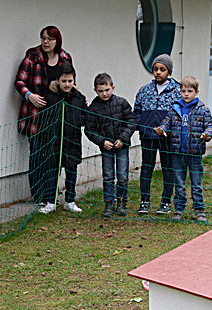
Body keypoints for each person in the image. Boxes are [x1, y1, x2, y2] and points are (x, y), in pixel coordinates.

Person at [14, 26, 72, 207]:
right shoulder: (32, 57)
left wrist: (78, 99)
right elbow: (19, 81)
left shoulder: (65, 58)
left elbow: (69, 83)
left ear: (57, 40)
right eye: (43, 38)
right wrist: (29, 95)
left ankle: (50, 194)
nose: (46, 42)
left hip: (56, 115)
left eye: (50, 39)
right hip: (35, 116)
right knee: (37, 154)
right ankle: (38, 196)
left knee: (53, 156)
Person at [155, 75, 212, 223]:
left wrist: (207, 134)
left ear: (196, 92)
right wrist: (162, 130)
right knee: (179, 183)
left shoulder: (203, 109)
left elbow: (210, 125)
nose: (186, 94)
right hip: (177, 153)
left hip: (195, 153)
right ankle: (179, 209)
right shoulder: (175, 108)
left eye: (189, 91)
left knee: (196, 184)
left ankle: (199, 210)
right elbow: (166, 122)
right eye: (183, 91)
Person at [134, 54, 181, 215]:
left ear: (169, 71)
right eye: (155, 69)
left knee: (168, 168)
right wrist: (142, 126)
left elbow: (179, 114)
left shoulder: (177, 91)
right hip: (147, 136)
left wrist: (169, 130)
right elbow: (137, 110)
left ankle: (166, 201)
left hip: (167, 138)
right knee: (147, 168)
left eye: (162, 69)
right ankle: (144, 201)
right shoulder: (144, 90)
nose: (158, 72)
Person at [85, 73, 137, 218]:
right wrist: (102, 141)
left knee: (122, 176)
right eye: (100, 91)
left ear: (113, 87)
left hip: (122, 146)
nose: (104, 93)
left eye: (107, 90)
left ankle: (121, 203)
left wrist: (123, 139)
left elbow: (131, 122)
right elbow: (89, 130)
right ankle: (108, 203)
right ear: (95, 90)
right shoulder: (93, 108)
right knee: (108, 176)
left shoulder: (122, 103)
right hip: (106, 147)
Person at [40, 63, 87, 214]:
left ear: (74, 81)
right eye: (64, 81)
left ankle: (70, 201)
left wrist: (79, 119)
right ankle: (50, 202)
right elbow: (44, 118)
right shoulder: (50, 97)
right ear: (58, 81)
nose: (67, 84)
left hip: (73, 141)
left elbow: (85, 117)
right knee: (53, 172)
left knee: (72, 172)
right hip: (55, 141)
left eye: (70, 81)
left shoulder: (79, 98)